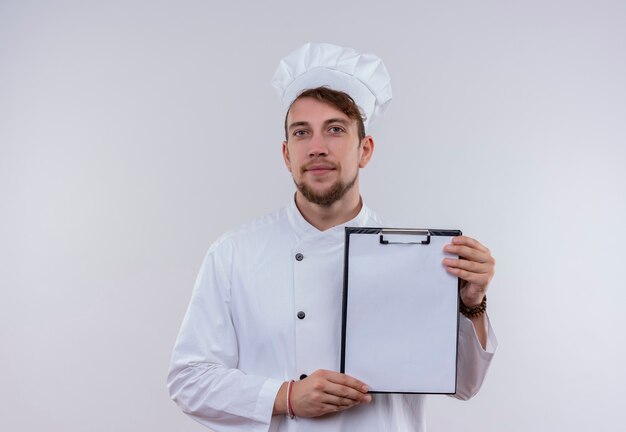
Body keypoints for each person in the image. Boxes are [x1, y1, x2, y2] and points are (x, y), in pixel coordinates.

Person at [167, 43, 497, 432]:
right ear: (287, 154)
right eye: (302, 133)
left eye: (336, 130)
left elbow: (464, 385)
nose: (318, 148)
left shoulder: (416, 256)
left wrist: (472, 303)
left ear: (365, 150)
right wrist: (286, 396)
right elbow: (188, 380)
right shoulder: (234, 253)